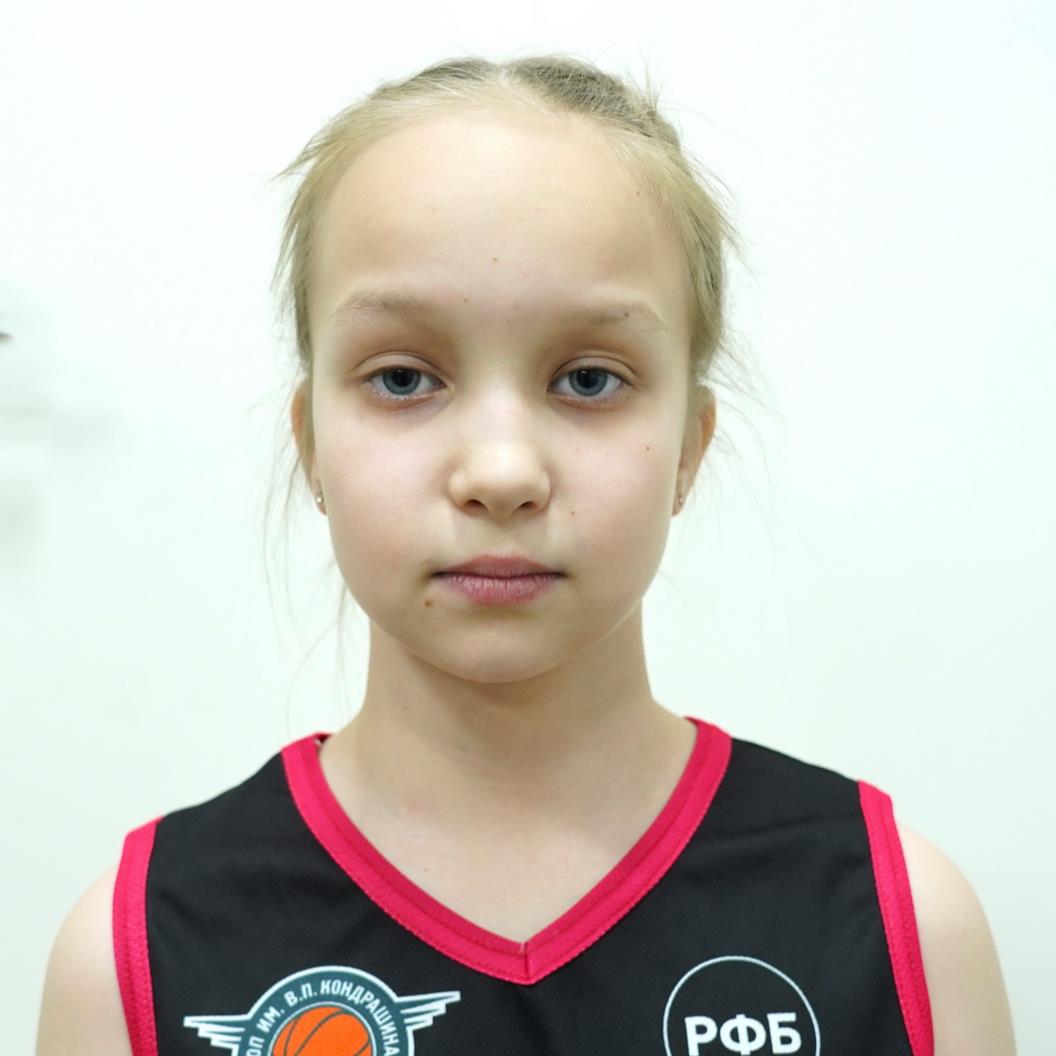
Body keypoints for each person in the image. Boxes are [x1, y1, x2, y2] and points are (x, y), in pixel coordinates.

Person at [35, 54, 1015, 1056]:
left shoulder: (899, 925)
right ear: (311, 442)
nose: (501, 473)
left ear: (690, 448)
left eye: (589, 380)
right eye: (404, 378)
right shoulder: (135, 959)